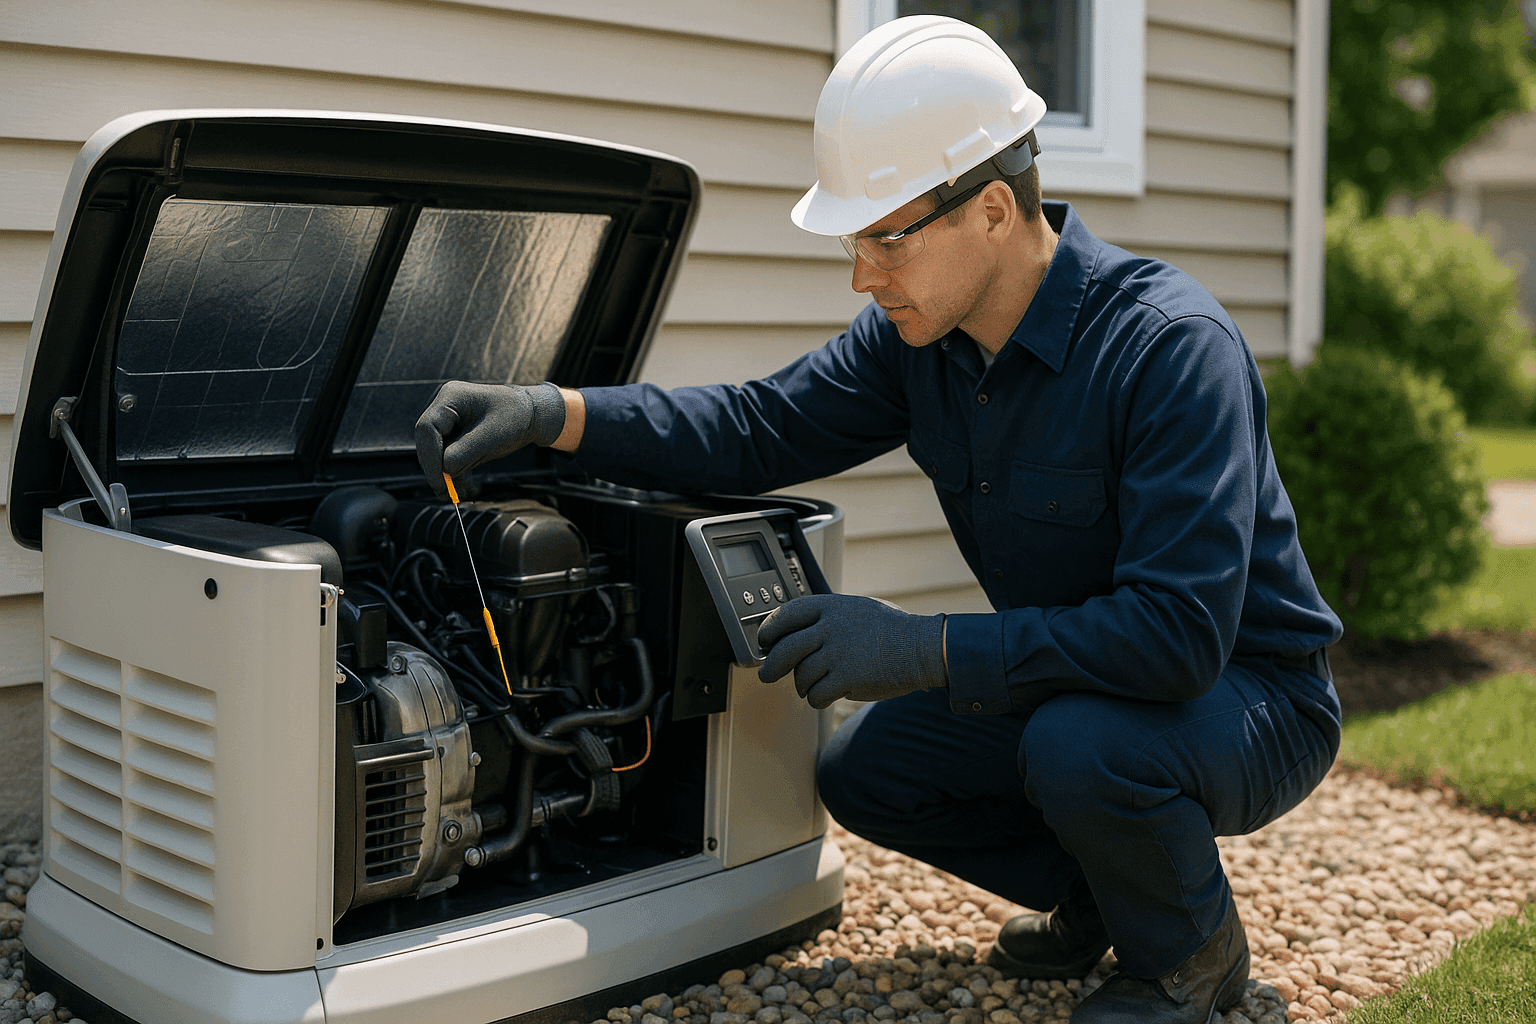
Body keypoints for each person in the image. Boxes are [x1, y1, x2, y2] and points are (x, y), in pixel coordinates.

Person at [415, 16, 1343, 1023]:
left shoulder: (1168, 352)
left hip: (1249, 697)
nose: (863, 273)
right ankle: (1114, 887)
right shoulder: (922, 344)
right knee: (871, 770)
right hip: (1082, 681)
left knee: (1084, 748)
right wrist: (554, 414)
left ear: (993, 208)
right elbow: (756, 427)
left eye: (885, 236)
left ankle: (1190, 957)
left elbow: (1176, 639)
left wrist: (923, 646)